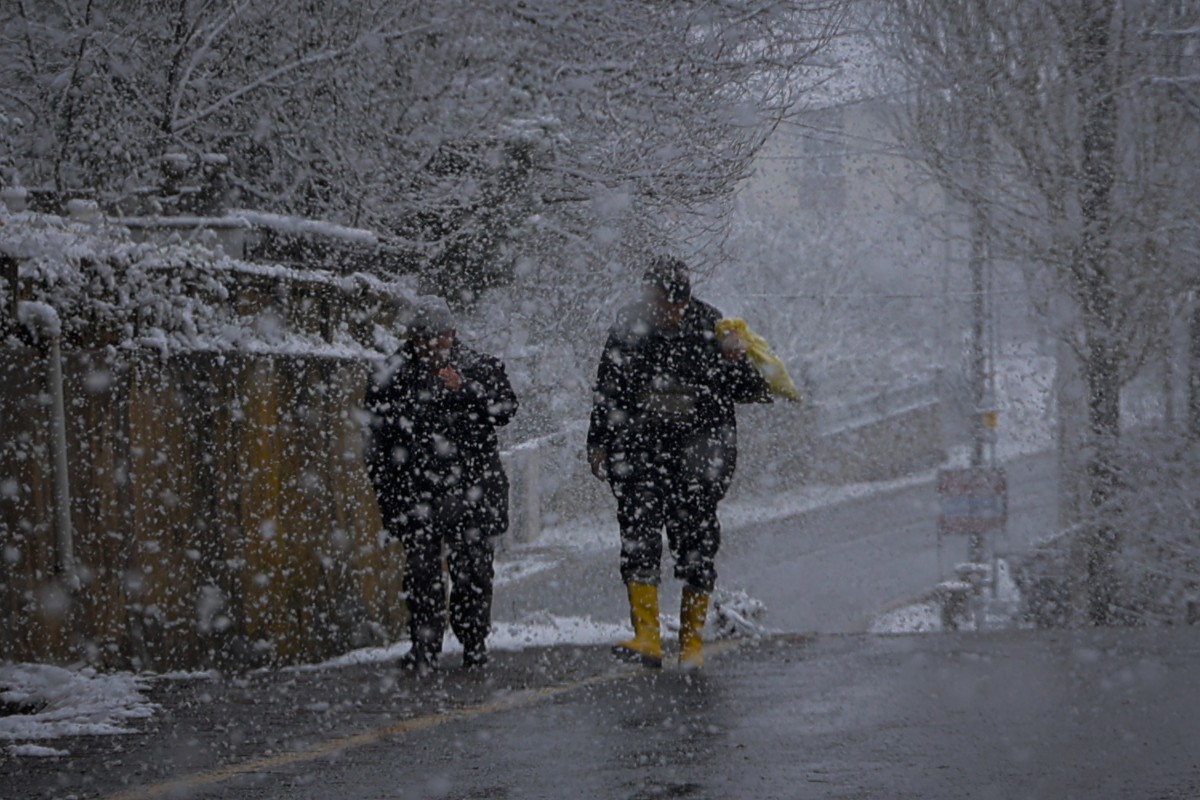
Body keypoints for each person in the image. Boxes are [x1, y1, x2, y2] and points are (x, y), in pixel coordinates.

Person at [587, 256, 772, 669]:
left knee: (697, 547)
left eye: (668, 303)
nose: (661, 311)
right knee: (638, 537)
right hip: (639, 451)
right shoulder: (629, 325)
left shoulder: (714, 327)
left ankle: (691, 644)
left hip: (698, 456)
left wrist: (735, 360)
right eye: (653, 301)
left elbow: (751, 390)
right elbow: (607, 387)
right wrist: (598, 442)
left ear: (684, 300)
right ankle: (647, 637)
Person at [363, 300, 518, 672]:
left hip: (472, 488)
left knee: (474, 571)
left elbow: (505, 408)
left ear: (453, 334)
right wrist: (389, 493)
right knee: (421, 574)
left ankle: (474, 643)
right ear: (412, 339)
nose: (433, 346)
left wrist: (466, 389)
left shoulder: (476, 366)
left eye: (440, 337)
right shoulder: (392, 374)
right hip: (417, 491)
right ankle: (425, 647)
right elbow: (377, 441)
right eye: (424, 339)